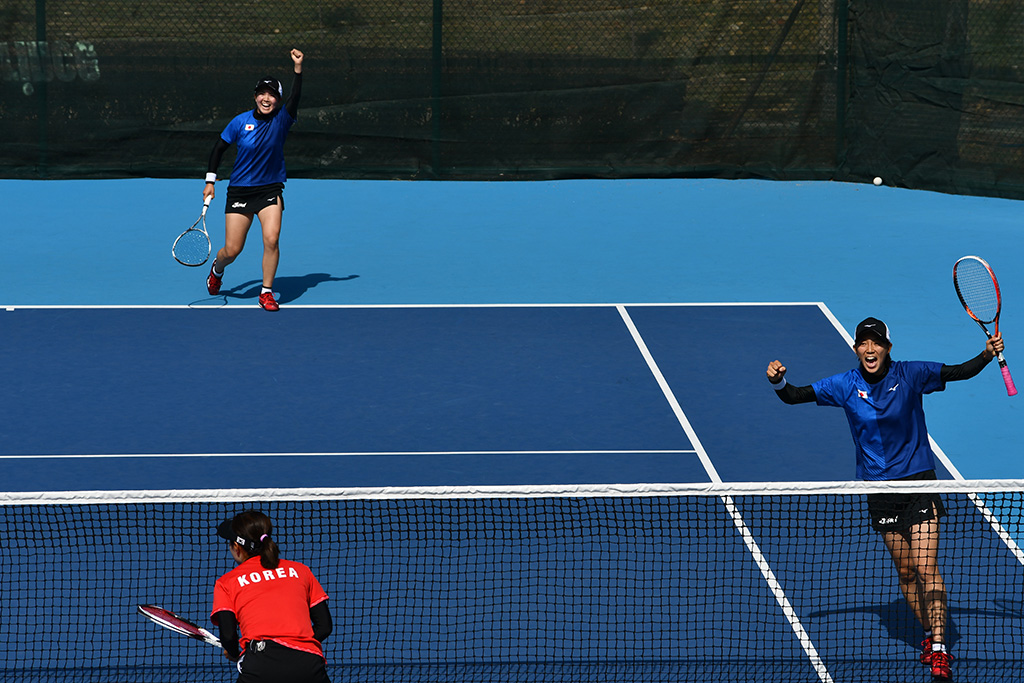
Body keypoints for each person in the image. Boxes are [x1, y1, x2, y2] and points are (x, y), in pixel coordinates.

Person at [766, 317, 1006, 683]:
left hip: (919, 483)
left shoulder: (911, 374)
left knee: (927, 567)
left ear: (887, 348)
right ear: (857, 349)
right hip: (879, 491)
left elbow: (958, 372)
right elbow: (795, 395)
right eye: (863, 343)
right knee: (907, 571)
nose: (870, 349)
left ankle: (940, 647)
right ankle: (929, 635)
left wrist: (986, 355)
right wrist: (778, 380)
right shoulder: (845, 385)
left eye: (876, 343)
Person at [203, 48, 304, 311]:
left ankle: (266, 292)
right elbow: (219, 148)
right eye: (262, 93)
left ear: (278, 100)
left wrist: (298, 69)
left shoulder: (282, 121)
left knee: (272, 239)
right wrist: (210, 181)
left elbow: (296, 97)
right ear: (255, 96)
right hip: (239, 192)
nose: (266, 98)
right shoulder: (240, 122)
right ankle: (217, 269)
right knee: (232, 251)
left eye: (272, 94)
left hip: (270, 190)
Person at [211, 510, 332, 682]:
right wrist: (296, 646)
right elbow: (325, 626)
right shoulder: (301, 571)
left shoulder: (227, 582)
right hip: (308, 664)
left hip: (260, 666)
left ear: (236, 547)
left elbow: (229, 636)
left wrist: (234, 653)